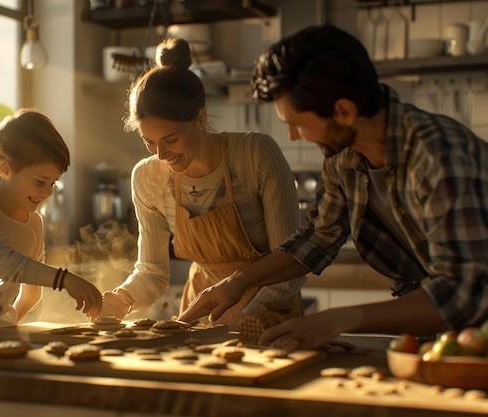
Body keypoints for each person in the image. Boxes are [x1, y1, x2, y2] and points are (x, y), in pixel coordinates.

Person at [178, 24, 488, 348]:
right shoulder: (344, 158)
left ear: (344, 111)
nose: (294, 136)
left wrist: (338, 319)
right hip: (453, 336)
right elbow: (317, 238)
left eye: (296, 124)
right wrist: (239, 282)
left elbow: (459, 295)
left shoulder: (438, 157)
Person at [95, 37, 306, 326]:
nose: (161, 154)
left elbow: (292, 262)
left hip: (268, 314)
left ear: (201, 118)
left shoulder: (255, 156)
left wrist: (244, 317)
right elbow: (152, 273)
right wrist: (122, 298)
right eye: (149, 142)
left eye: (171, 139)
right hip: (200, 317)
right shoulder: (148, 178)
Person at [0, 108, 102, 327]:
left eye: (52, 183)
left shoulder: (34, 223)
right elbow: (5, 263)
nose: (48, 191)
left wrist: (9, 323)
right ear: (5, 169)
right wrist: (65, 279)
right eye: (40, 182)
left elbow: (32, 294)